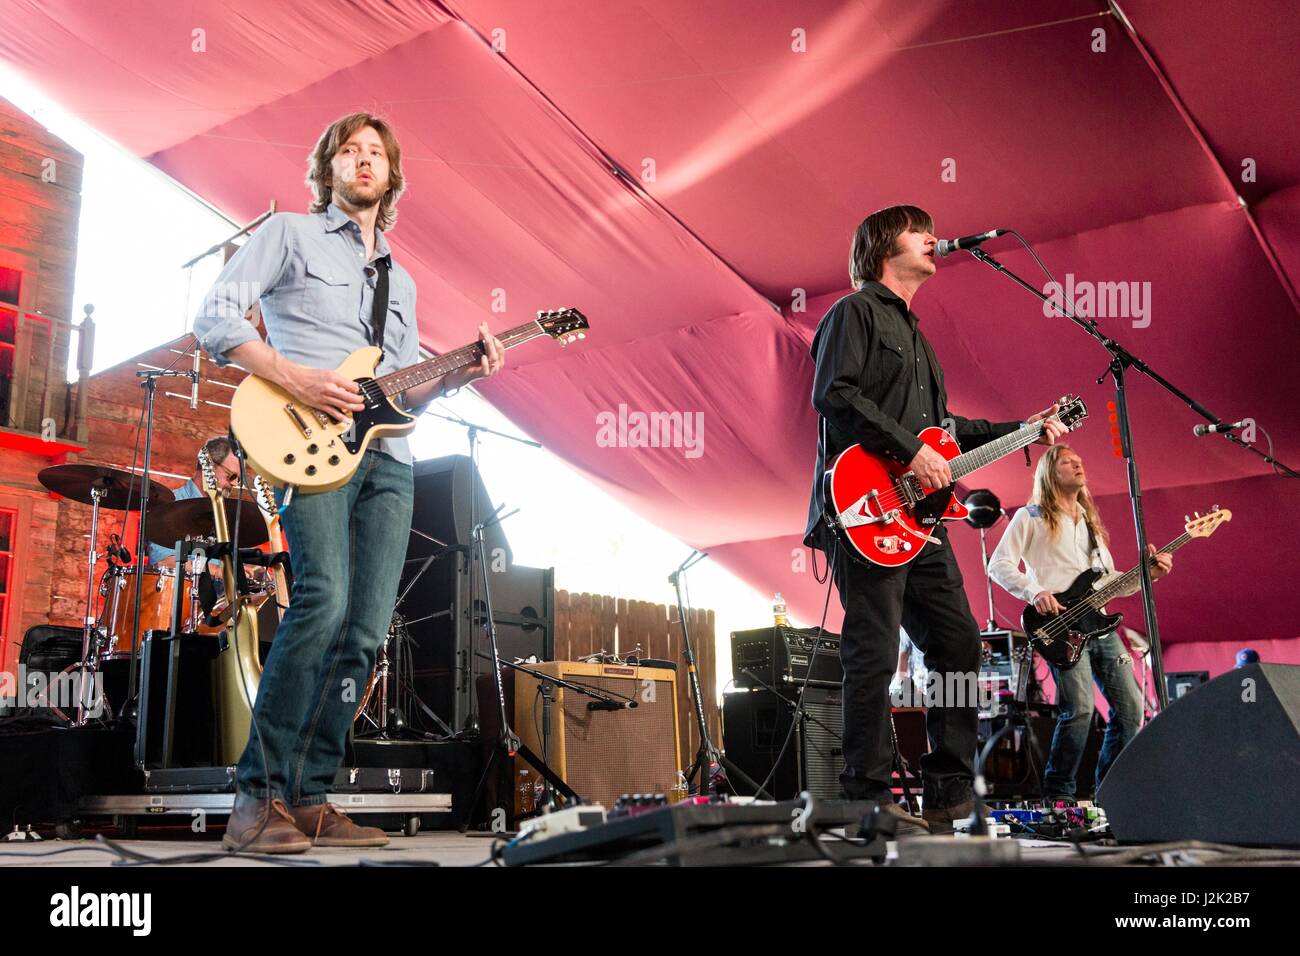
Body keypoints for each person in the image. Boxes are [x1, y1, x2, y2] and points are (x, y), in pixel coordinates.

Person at [194, 112, 504, 853]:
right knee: (322, 604)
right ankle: (254, 798)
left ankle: (307, 796)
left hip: (388, 462)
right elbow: (212, 315)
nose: (364, 161)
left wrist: (458, 374)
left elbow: (401, 392)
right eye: (351, 151)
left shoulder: (405, 278)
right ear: (328, 167)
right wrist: (293, 375)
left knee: (365, 631)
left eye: (377, 154)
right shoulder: (289, 236)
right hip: (306, 449)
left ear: (392, 177)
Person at [804, 204, 1065, 834]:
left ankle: (947, 789)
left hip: (919, 521)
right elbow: (834, 394)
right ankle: (866, 795)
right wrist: (910, 450)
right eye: (918, 228)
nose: (932, 236)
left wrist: (1025, 429)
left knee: (958, 644)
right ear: (881, 246)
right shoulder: (854, 312)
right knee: (872, 650)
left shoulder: (920, 340)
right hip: (864, 508)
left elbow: (948, 434)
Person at [988, 444, 1172, 802]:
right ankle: (1060, 795)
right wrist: (1034, 591)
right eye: (1068, 461)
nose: (1078, 463)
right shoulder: (1031, 516)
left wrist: (1148, 574)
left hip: (1100, 626)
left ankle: (1109, 795)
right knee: (1081, 712)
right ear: (1050, 473)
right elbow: (999, 565)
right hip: (1060, 627)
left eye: (1080, 459)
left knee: (1131, 710)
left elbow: (1107, 583)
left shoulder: (1090, 523)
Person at [145, 435, 242, 567]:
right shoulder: (169, 506)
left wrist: (247, 571)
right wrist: (216, 571)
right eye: (231, 476)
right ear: (209, 466)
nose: (234, 484)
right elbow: (163, 562)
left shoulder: (225, 518)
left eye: (238, 479)